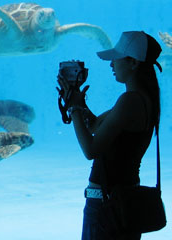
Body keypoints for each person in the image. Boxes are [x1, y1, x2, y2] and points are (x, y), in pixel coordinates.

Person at [58, 31, 163, 240]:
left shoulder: (130, 101)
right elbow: (97, 125)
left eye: (116, 59)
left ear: (133, 63)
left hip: (108, 207)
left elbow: (91, 149)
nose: (111, 64)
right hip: (122, 204)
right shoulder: (142, 99)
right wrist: (76, 100)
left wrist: (75, 107)